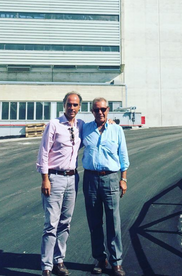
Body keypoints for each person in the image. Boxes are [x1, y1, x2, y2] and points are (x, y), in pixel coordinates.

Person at [36, 92, 84, 276]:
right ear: (64, 105)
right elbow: (44, 153)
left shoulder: (81, 126)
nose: (72, 108)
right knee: (51, 224)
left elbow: (98, 126)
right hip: (54, 178)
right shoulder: (54, 125)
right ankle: (46, 267)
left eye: (75, 105)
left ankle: (59, 260)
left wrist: (110, 122)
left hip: (72, 178)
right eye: (69, 104)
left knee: (65, 222)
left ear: (80, 107)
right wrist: (45, 179)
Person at [82, 97, 129, 276]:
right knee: (94, 222)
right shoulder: (85, 129)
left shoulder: (116, 130)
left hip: (110, 178)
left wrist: (123, 179)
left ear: (108, 110)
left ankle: (116, 262)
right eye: (96, 110)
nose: (100, 112)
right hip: (91, 179)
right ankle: (100, 259)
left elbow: (123, 156)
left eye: (103, 109)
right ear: (92, 111)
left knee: (113, 221)